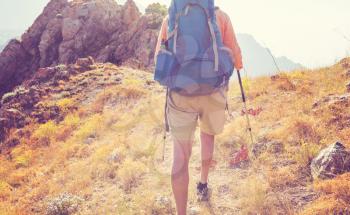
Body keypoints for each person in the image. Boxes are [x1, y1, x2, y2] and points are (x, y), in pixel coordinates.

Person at [155, 5, 243, 215]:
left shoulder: (171, 19)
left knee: (180, 156)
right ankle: (203, 183)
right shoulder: (220, 17)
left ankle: (181, 212)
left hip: (180, 93)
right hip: (213, 90)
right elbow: (236, 57)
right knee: (207, 135)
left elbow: (159, 57)